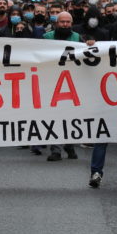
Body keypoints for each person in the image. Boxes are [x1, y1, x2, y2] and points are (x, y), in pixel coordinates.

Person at [43, 11, 80, 161]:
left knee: (70, 116)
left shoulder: (77, 38)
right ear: (56, 23)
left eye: (68, 22)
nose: (65, 24)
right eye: (62, 22)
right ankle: (55, 149)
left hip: (71, 83)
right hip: (52, 82)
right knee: (53, 116)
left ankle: (69, 145)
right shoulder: (46, 38)